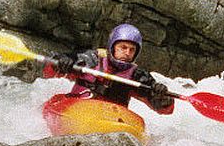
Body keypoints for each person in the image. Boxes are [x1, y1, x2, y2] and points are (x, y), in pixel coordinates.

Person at [43, 23, 176, 115]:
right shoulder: (90, 59)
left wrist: (162, 97)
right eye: (123, 47)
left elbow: (164, 110)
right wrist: (60, 63)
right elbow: (48, 72)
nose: (127, 53)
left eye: (132, 50)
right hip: (78, 108)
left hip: (109, 117)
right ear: (112, 46)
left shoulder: (138, 76)